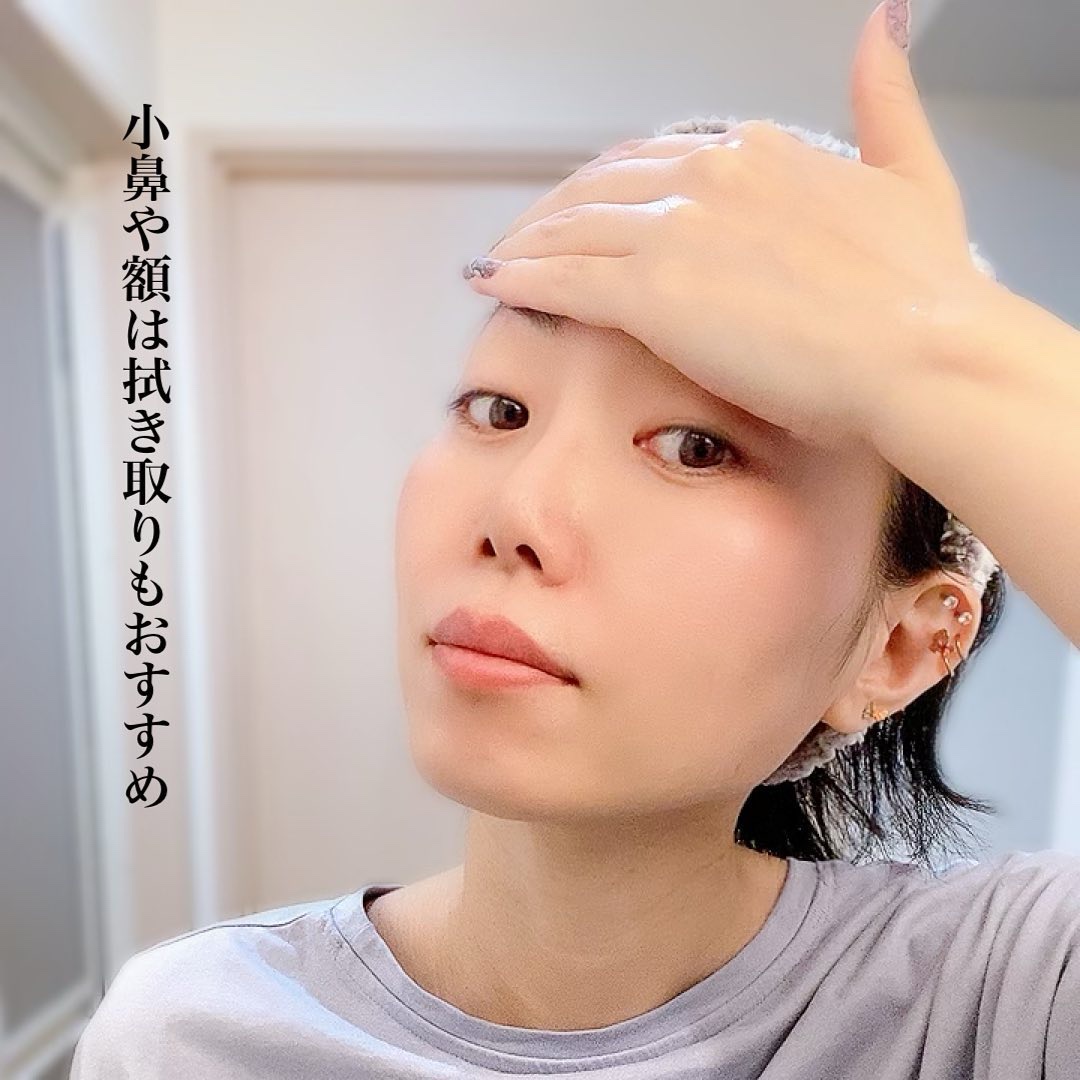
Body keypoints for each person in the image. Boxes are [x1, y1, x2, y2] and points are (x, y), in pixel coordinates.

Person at [71, 4, 1080, 1078]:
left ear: (901, 649)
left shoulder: (999, 1001)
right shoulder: (193, 1035)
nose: (517, 516)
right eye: (499, 410)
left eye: (696, 447)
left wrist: (945, 351)